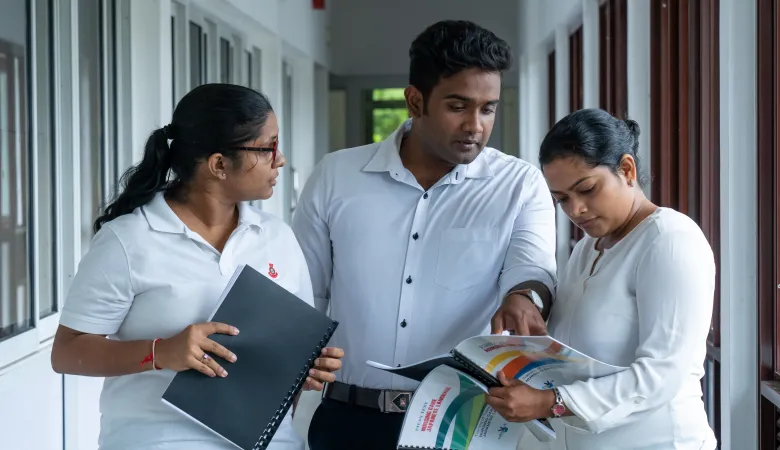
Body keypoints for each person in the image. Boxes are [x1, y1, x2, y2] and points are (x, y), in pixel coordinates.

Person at [291, 20, 557, 450]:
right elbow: (306, 294)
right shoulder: (336, 176)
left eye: (488, 108)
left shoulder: (519, 184)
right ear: (415, 101)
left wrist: (524, 295)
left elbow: (533, 267)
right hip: (347, 420)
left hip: (462, 425)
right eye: (458, 106)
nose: (475, 125)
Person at [50, 83, 344, 450]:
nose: (280, 159)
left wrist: (304, 367)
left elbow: (287, 348)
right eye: (268, 147)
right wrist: (161, 352)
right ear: (219, 164)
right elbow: (67, 352)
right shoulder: (128, 240)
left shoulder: (277, 237)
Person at [485, 108, 717, 449]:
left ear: (626, 169)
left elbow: (661, 374)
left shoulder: (669, 240)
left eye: (587, 189)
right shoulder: (587, 248)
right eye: (561, 199)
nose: (575, 210)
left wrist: (550, 403)